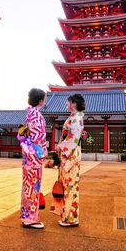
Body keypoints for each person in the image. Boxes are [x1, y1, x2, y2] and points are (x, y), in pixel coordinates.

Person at [18, 88, 48, 229]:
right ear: (40, 100)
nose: (45, 100)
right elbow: (38, 138)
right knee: (33, 186)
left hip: (27, 155)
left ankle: (26, 216)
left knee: (27, 186)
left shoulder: (29, 114)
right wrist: (41, 155)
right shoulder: (36, 115)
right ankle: (30, 219)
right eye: (44, 98)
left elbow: (25, 136)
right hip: (34, 156)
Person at [56, 93, 85, 227]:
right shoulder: (74, 117)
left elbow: (73, 139)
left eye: (68, 102)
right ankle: (68, 216)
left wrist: (61, 146)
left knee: (70, 187)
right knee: (68, 186)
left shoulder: (76, 118)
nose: (67, 104)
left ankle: (70, 218)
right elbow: (71, 137)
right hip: (69, 154)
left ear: (74, 104)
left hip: (70, 156)